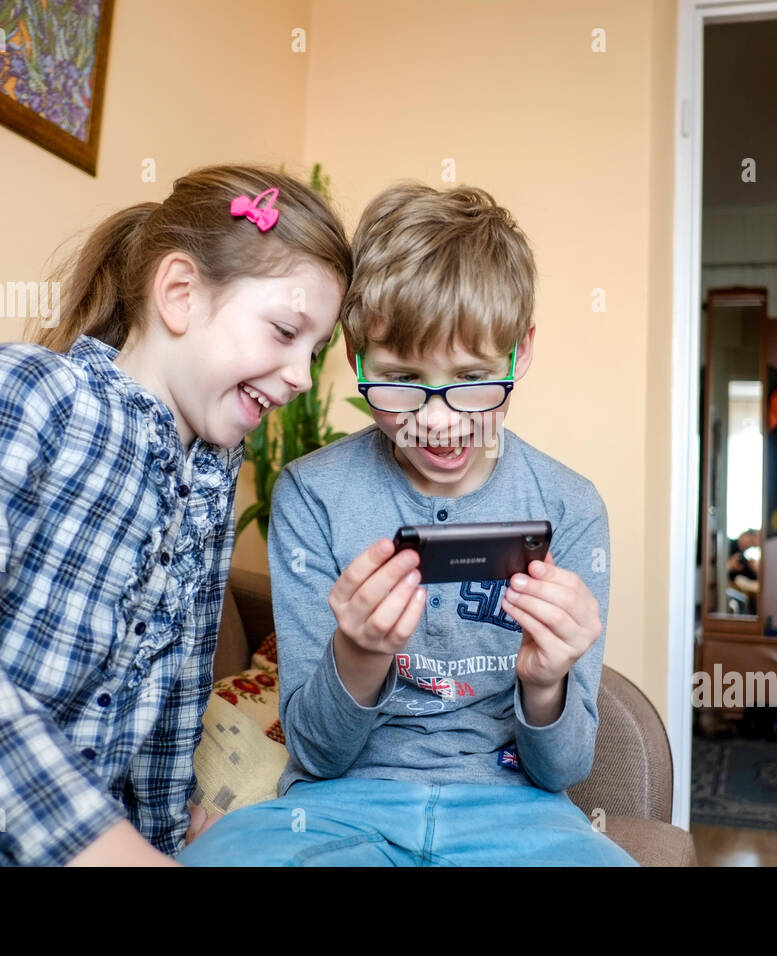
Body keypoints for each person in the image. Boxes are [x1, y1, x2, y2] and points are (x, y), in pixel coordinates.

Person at [0, 165, 350, 866]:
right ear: (180, 293)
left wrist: (158, 837)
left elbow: (174, 710)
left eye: (315, 350)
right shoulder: (28, 389)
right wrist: (101, 845)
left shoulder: (212, 480)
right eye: (284, 331)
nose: (303, 376)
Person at [178, 181, 637, 866]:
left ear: (523, 352)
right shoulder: (314, 495)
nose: (439, 420)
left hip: (516, 816)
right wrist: (358, 656)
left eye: (475, 376)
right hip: (340, 808)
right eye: (399, 379)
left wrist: (546, 683)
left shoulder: (570, 506)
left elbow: (561, 770)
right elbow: (317, 752)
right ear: (356, 360)